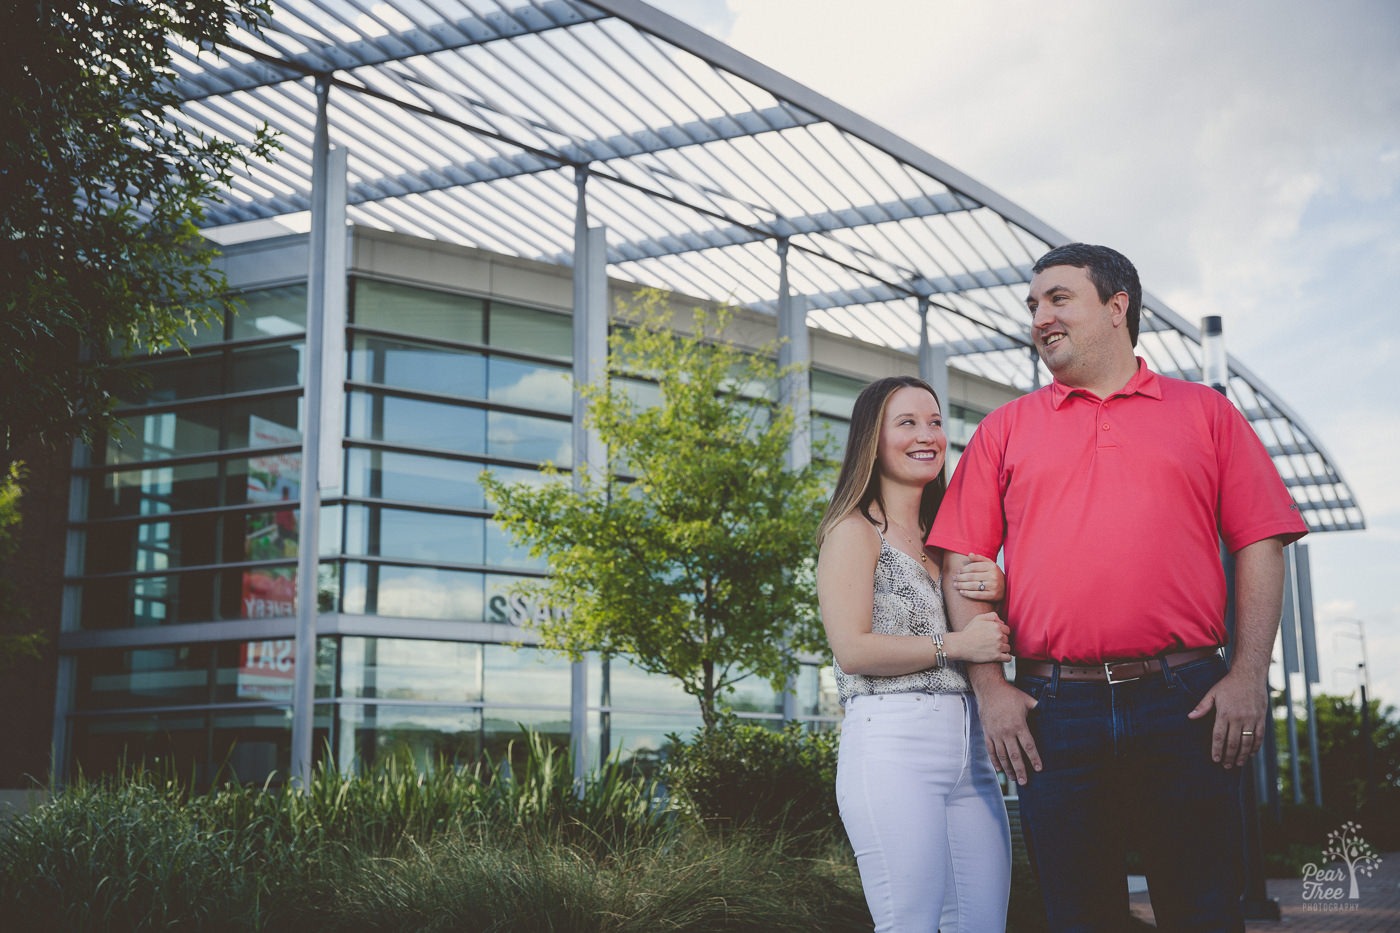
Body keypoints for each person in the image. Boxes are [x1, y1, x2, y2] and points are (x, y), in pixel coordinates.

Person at [930, 243, 1308, 932]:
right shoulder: (1004, 429)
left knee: (1204, 912)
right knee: (1081, 917)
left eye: (1058, 298)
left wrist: (1250, 672)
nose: (1040, 316)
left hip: (1187, 702)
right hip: (1053, 710)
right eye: (1033, 304)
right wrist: (991, 689)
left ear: (1116, 306)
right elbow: (963, 561)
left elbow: (1262, 538)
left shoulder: (1208, 415)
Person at [817, 375, 1014, 932]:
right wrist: (955, 644)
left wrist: (1000, 589)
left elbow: (997, 638)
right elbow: (852, 649)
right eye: (906, 422)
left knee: (981, 926)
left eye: (934, 422)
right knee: (909, 924)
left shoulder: (949, 538)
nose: (927, 434)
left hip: (972, 758)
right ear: (871, 441)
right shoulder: (851, 531)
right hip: (891, 749)